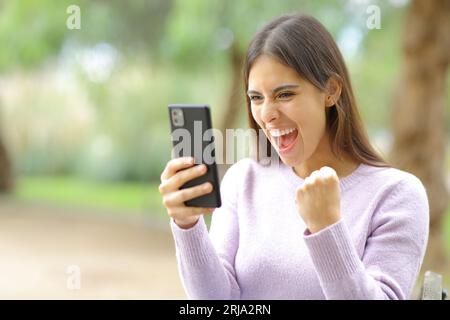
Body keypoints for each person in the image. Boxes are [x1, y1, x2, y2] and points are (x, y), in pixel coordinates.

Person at [159, 13, 429, 299]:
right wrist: (187, 226)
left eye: (285, 94)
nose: (267, 114)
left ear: (331, 91)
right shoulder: (243, 180)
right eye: (256, 98)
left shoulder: (397, 194)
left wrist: (327, 228)